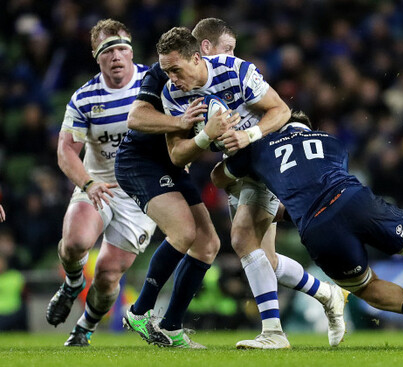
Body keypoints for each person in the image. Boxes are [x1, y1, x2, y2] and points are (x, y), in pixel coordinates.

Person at [118, 19, 348, 349]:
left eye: (176, 70)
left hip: (262, 157)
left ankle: (273, 333)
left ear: (198, 57)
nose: (172, 78)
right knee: (262, 259)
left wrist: (248, 134)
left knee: (239, 238)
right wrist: (204, 134)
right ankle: (327, 293)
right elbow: (179, 154)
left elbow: (281, 109)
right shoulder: (171, 91)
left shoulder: (234, 69)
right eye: (168, 72)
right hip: (234, 169)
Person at [211, 110, 403, 348]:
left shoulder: (262, 148)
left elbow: (219, 178)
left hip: (316, 228)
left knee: (366, 286)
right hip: (355, 202)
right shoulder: (333, 142)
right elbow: (321, 177)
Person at [46, 19, 157, 347]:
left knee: (109, 276)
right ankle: (72, 283)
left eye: (122, 47)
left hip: (141, 194)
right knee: (76, 241)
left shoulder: (154, 83)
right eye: (108, 50)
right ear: (97, 56)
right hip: (100, 184)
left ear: (131, 51)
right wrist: (88, 182)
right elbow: (65, 149)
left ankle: (84, 328)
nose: (116, 55)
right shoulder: (84, 98)